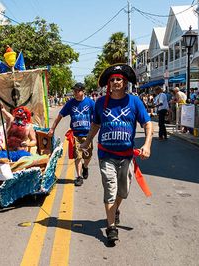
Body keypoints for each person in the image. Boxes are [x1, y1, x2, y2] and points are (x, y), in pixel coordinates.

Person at [80, 64, 153, 242]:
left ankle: (115, 209)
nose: (115, 82)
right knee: (110, 188)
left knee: (123, 191)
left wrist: (147, 144)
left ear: (125, 82)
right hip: (106, 155)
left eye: (118, 79)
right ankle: (111, 227)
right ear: (108, 84)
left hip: (127, 155)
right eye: (112, 80)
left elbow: (147, 123)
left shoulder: (134, 101)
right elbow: (96, 124)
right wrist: (88, 141)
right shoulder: (100, 103)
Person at [48, 82, 95, 186]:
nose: (75, 93)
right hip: (75, 134)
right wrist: (52, 128)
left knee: (88, 156)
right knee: (78, 156)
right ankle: (78, 177)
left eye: (78, 91)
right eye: (74, 91)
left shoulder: (90, 103)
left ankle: (85, 167)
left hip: (88, 134)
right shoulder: (70, 103)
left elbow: (98, 118)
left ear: (83, 91)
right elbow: (60, 116)